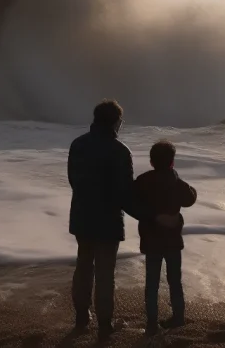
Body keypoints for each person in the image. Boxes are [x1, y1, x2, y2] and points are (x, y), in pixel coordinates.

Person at [67, 99, 175, 340]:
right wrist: (153, 217)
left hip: (82, 216)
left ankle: (82, 317)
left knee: (84, 265)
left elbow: (73, 180)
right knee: (105, 272)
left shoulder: (78, 145)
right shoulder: (120, 151)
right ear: (116, 122)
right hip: (107, 220)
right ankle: (104, 324)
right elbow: (124, 195)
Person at [134, 140, 197, 335]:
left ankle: (152, 323)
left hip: (151, 240)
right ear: (172, 162)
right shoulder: (177, 183)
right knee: (174, 281)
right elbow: (191, 198)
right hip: (172, 241)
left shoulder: (143, 181)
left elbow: (132, 201)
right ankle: (178, 317)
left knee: (151, 283)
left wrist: (151, 216)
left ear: (152, 162)